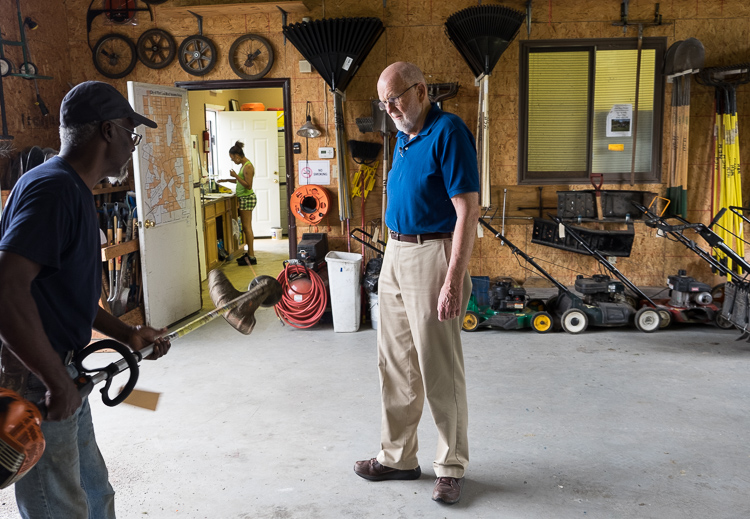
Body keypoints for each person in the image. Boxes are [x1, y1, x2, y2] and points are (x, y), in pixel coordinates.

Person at [0, 80, 171, 519]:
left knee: (96, 494)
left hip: (62, 369)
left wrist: (127, 333)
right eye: (131, 134)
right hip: (35, 378)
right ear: (108, 131)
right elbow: (6, 288)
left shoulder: (72, 188)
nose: (133, 145)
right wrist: (55, 381)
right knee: (59, 507)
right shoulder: (53, 189)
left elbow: (62, 295)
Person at [353, 62, 480, 505]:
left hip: (433, 254)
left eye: (397, 99)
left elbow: (467, 211)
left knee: (439, 367)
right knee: (395, 364)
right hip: (396, 253)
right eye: (384, 103)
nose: (390, 109)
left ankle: (450, 465)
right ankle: (398, 457)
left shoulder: (449, 131)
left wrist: (452, 279)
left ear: (422, 90)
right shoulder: (406, 138)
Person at [218, 141, 256, 265]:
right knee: (245, 227)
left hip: (247, 198)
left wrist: (235, 175)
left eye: (233, 158)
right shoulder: (244, 165)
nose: (233, 160)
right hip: (244, 198)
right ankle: (249, 253)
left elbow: (248, 185)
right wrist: (226, 179)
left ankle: (251, 256)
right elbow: (241, 182)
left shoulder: (248, 166)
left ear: (238, 156)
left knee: (247, 227)